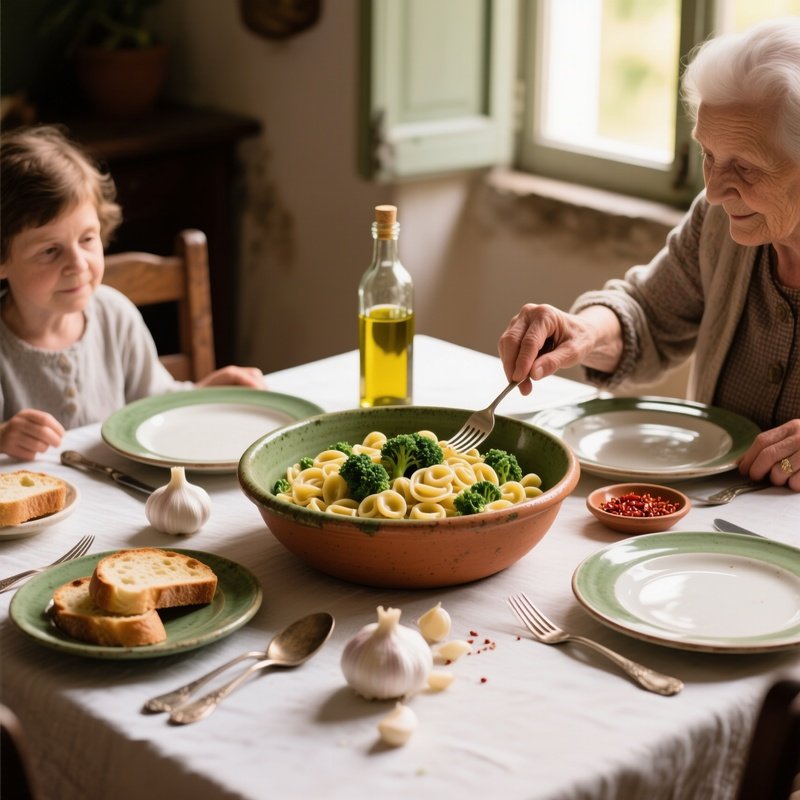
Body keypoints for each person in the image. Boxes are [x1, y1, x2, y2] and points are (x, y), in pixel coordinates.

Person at [498, 18, 800, 492]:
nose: (715, 191)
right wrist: (585, 330)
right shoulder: (717, 222)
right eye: (707, 154)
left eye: (744, 166)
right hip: (714, 515)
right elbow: (647, 314)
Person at [0, 125, 266, 461]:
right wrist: (3, 438)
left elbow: (153, 404)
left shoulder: (115, 315)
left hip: (119, 496)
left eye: (87, 239)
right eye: (50, 251)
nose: (78, 264)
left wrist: (205, 394)